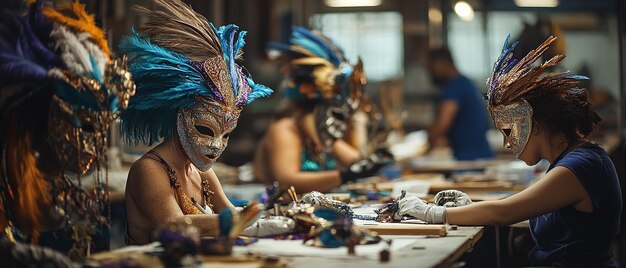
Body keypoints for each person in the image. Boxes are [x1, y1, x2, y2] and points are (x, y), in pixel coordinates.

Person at [397, 36, 621, 267]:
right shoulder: (567, 162)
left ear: (535, 123)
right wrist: (469, 208)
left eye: (507, 131)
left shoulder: (581, 165)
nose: (506, 143)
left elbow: (503, 213)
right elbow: (520, 205)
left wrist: (432, 213)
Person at [118, 0, 293, 245]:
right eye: (205, 130)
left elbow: (231, 212)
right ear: (179, 113)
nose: (216, 146)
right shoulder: (149, 170)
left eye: (226, 134)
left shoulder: (202, 173)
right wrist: (251, 221)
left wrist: (277, 213)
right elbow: (173, 225)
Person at [0, 0, 135, 261]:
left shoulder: (63, 189)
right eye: (85, 125)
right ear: (48, 113)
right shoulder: (9, 172)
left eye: (101, 132)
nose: (93, 146)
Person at [253, 27, 393, 193]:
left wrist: (374, 163)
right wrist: (344, 176)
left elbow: (356, 162)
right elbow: (287, 180)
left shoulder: (322, 129)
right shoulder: (284, 128)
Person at [426, 47, 494, 160]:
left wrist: (429, 138)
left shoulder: (454, 87)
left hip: (470, 158)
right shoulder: (466, 82)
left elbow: (443, 124)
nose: (430, 73)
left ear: (441, 63)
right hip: (480, 154)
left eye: (431, 67)